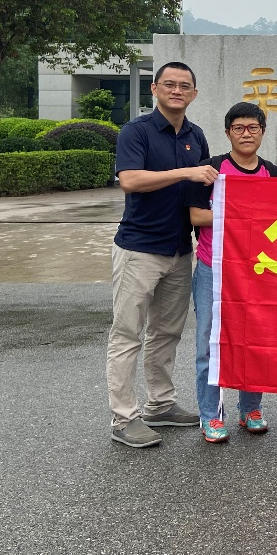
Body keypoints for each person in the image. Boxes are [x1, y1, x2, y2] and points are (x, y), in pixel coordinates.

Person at [107, 61, 216, 448]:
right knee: (127, 334)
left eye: (184, 86)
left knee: (166, 333)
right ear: (154, 89)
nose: (176, 91)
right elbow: (130, 180)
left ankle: (160, 404)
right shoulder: (136, 132)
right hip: (139, 249)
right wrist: (186, 172)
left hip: (180, 250)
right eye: (169, 84)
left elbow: (203, 192)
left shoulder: (195, 136)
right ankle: (124, 417)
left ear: (194, 94)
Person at [184, 102, 277, 443]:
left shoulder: (273, 174)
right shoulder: (211, 169)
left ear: (262, 132)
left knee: (253, 341)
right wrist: (242, 212)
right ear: (228, 132)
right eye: (239, 128)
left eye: (253, 128)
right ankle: (210, 415)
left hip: (257, 271)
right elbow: (196, 216)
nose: (246, 134)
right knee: (208, 345)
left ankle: (251, 409)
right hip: (213, 268)